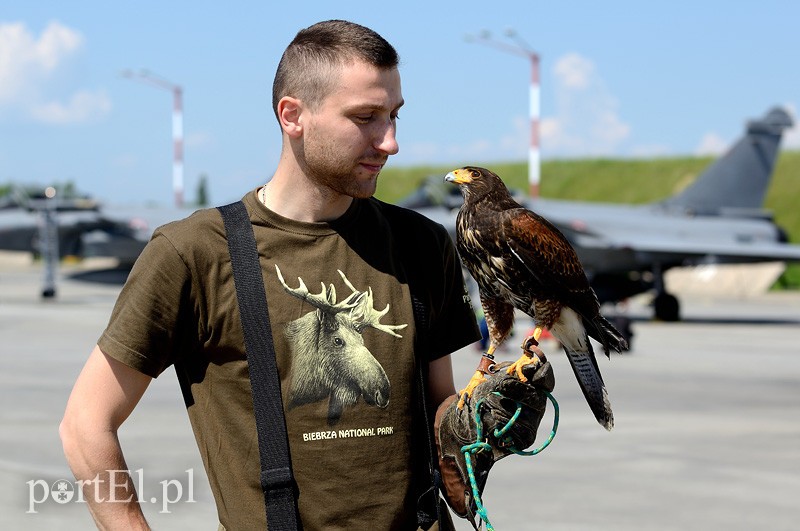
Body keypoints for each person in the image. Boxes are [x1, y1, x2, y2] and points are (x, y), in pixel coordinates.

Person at [60, 20, 551, 530]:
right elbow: (86, 425)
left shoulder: (422, 243)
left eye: (394, 116)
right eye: (365, 118)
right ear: (292, 115)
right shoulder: (194, 253)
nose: (390, 142)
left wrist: (477, 424)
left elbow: (435, 410)